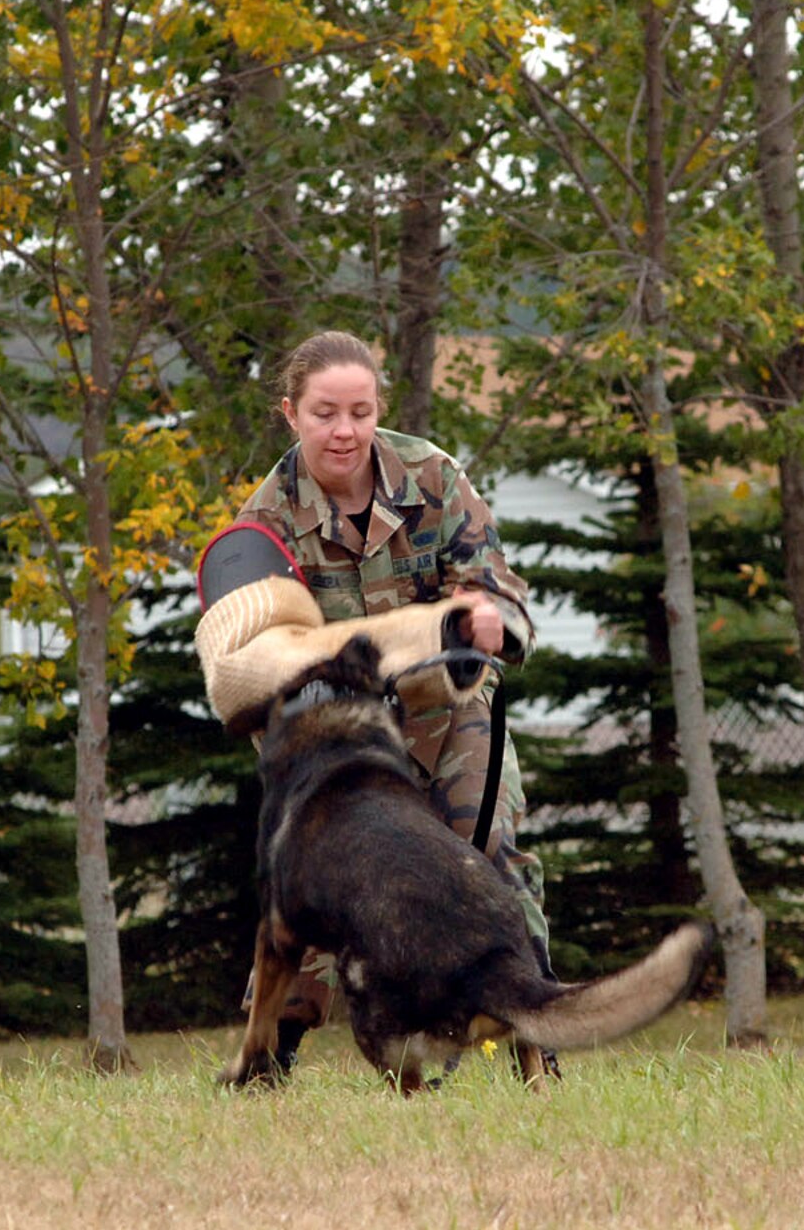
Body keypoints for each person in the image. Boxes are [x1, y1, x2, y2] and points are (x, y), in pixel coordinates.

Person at [195, 329, 550, 1076]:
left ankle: (537, 1046)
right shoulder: (264, 522)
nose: (345, 430)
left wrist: (491, 615)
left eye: (360, 410)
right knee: (319, 881)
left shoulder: (432, 476)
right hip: (341, 731)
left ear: (378, 408)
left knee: (490, 854)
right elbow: (257, 655)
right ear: (290, 413)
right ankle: (271, 1054)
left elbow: (498, 585)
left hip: (452, 711)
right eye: (325, 412)